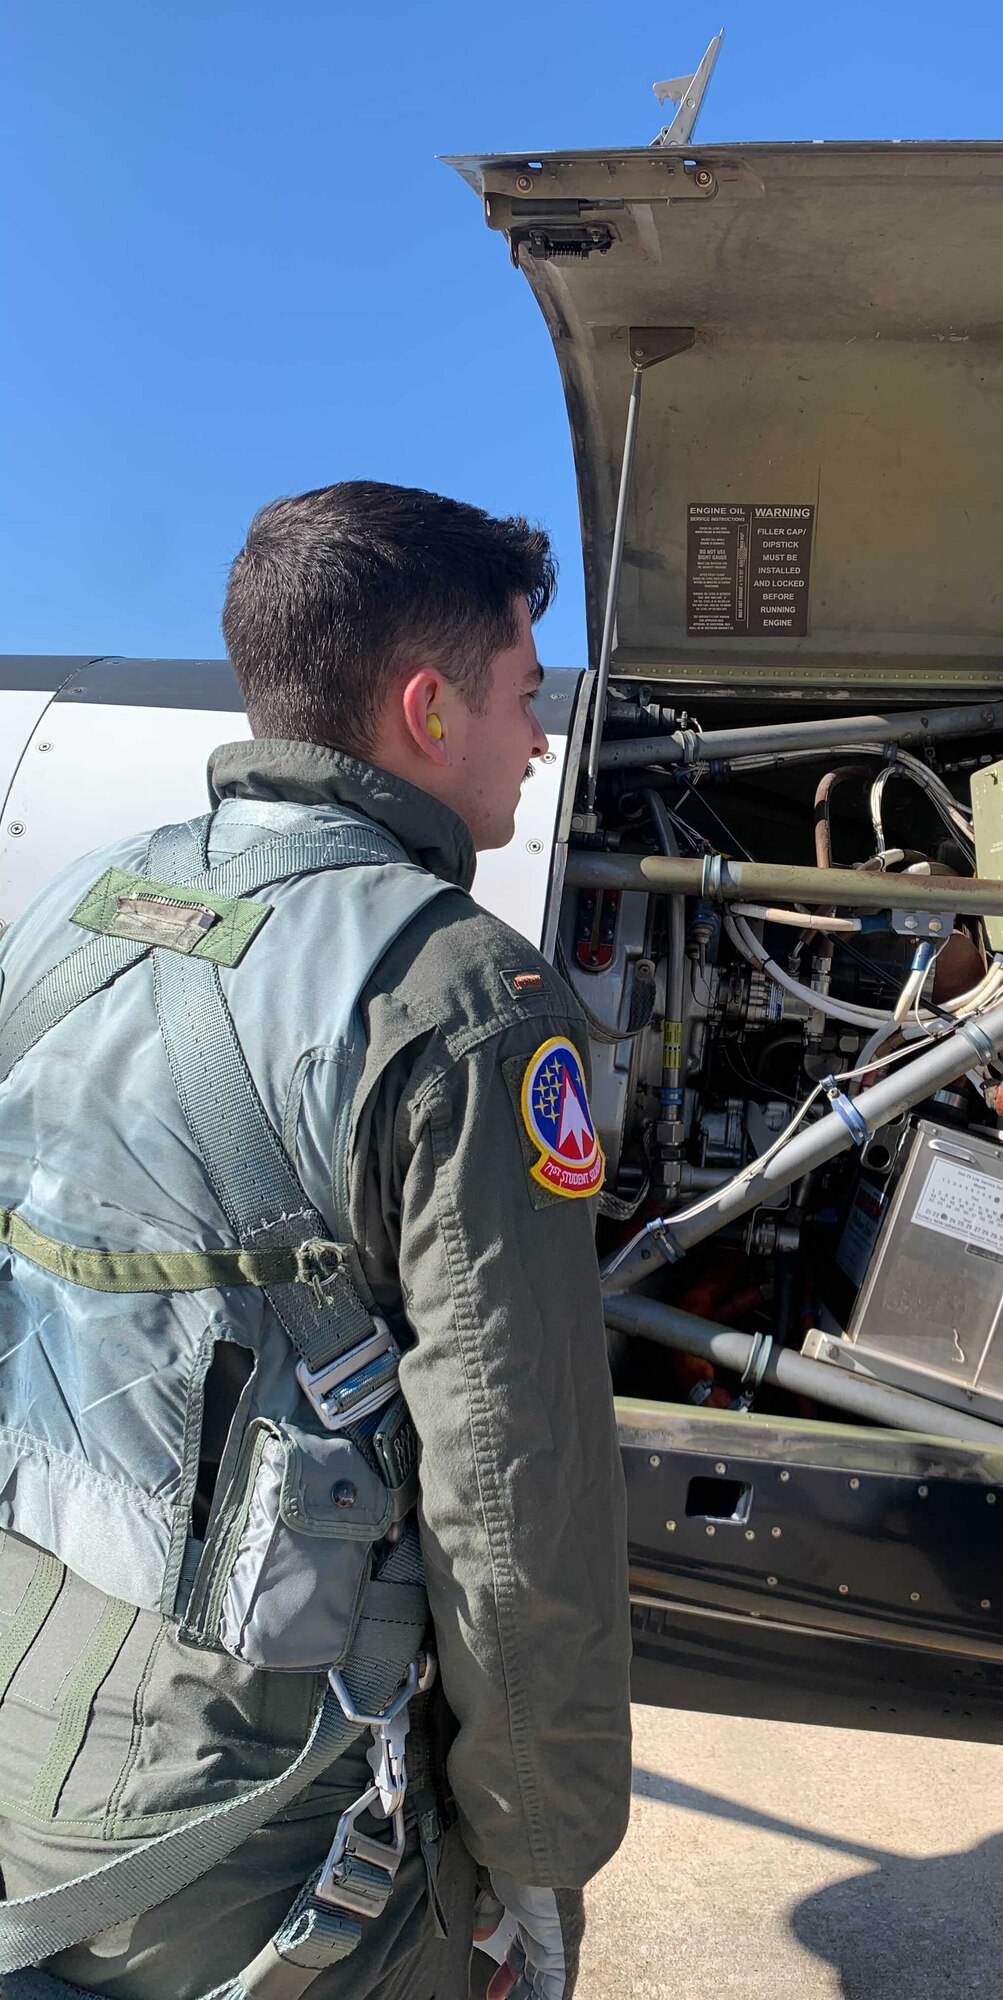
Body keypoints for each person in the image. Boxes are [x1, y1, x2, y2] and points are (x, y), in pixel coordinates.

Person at [0, 482, 632, 1999]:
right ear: (428, 708)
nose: (539, 742)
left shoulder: (74, 907)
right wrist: (540, 1850)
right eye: (523, 697)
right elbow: (510, 1486)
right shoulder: (468, 997)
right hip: (262, 1807)